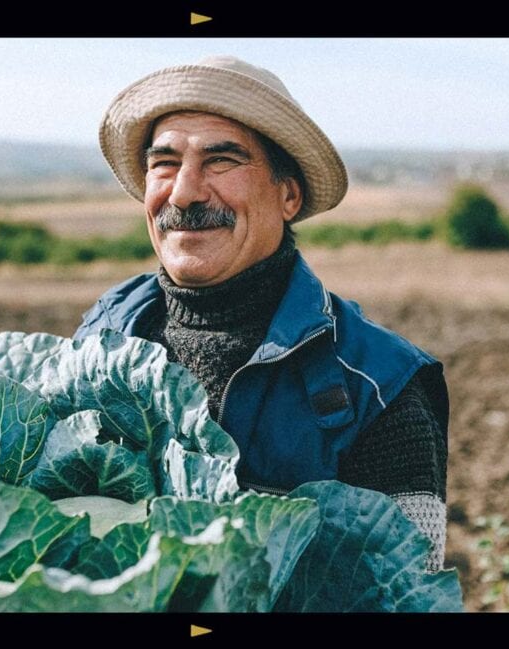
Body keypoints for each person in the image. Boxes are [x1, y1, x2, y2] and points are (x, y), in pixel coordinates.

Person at [74, 55, 450, 572]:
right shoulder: (102, 337)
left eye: (221, 160)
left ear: (288, 195)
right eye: (165, 163)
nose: (184, 192)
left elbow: (405, 594)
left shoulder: (379, 387)